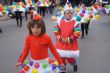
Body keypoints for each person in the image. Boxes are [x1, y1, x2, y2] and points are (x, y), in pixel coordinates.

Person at [53, 2, 80, 73]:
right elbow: (56, 30)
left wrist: (69, 39)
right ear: (64, 14)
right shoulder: (60, 22)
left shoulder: (75, 22)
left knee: (70, 59)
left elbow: (77, 33)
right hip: (61, 43)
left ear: (73, 13)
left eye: (71, 12)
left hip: (71, 44)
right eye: (67, 13)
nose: (69, 14)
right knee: (61, 58)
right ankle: (62, 70)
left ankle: (74, 64)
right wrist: (60, 38)